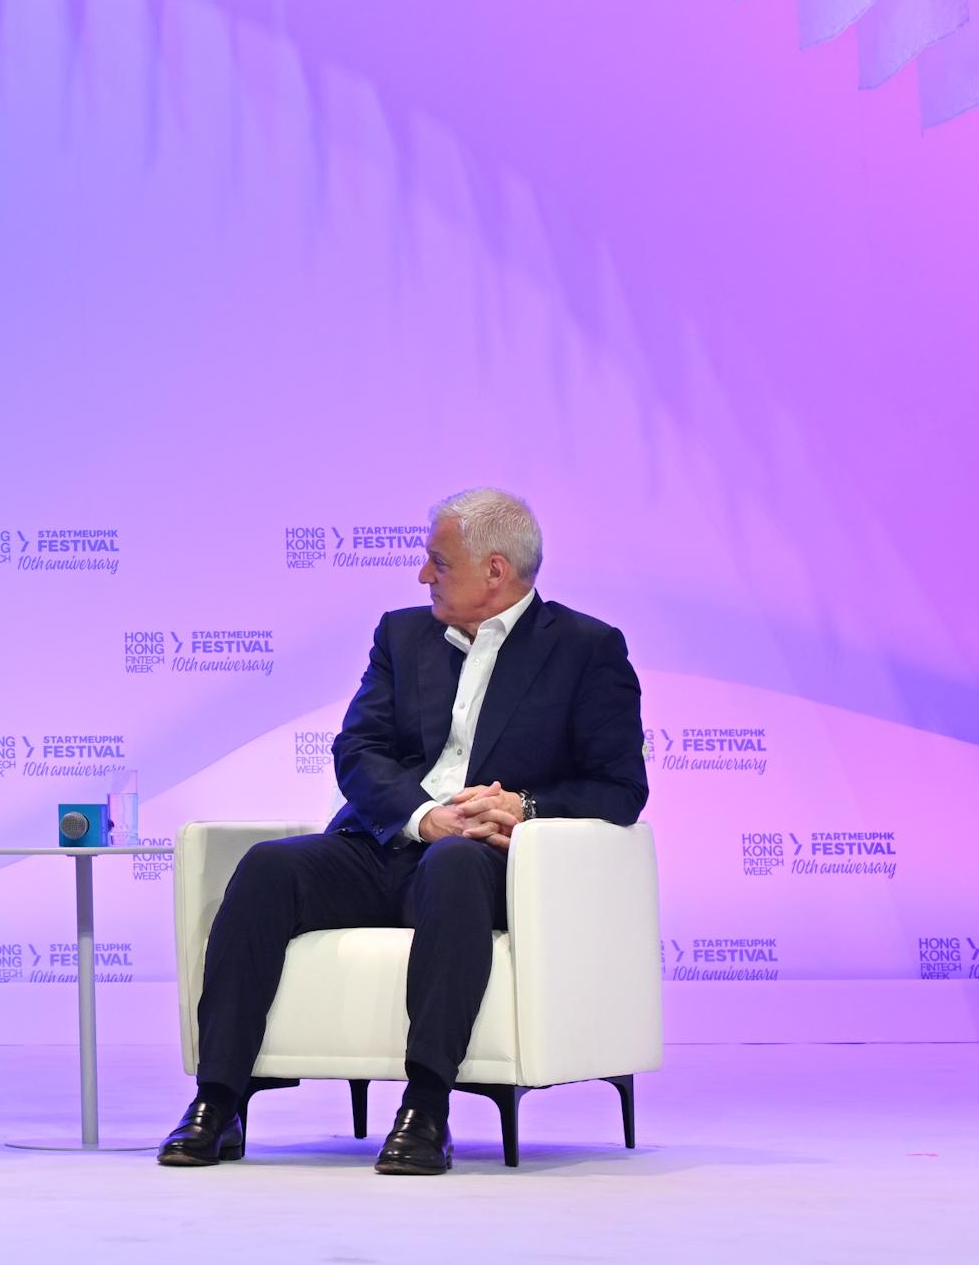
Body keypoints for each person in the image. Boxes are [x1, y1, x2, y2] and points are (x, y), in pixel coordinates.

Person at [162, 488, 647, 1176]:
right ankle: (218, 1101)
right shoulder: (401, 635)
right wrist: (423, 816)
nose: (423, 576)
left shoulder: (586, 649)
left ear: (495, 570)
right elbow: (358, 750)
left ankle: (426, 1108)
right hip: (386, 842)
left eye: (438, 562)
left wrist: (527, 806)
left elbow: (621, 788)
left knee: (453, 863)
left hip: (483, 864)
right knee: (269, 866)